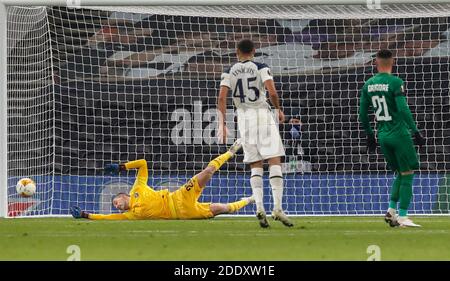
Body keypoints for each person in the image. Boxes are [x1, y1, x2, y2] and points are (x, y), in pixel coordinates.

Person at [70, 140, 254, 220]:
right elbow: (106, 217)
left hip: (179, 197)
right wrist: (86, 215)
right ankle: (251, 199)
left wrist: (121, 167)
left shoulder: (137, 187)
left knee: (207, 171)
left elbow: (143, 163)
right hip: (185, 215)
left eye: (116, 201)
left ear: (123, 195)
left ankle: (230, 152)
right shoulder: (129, 215)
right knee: (222, 209)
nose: (116, 205)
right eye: (115, 205)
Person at [217, 39, 293, 228]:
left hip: (243, 119)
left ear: (237, 52)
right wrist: (278, 110)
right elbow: (272, 92)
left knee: (255, 164)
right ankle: (277, 208)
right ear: (254, 51)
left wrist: (222, 124)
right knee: (274, 159)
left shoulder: (228, 71)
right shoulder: (261, 66)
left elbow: (221, 97)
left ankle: (259, 207)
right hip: (261, 114)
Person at [359, 49, 426, 228]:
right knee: (408, 173)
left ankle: (391, 211)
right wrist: (416, 131)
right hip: (399, 134)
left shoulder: (368, 84)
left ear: (376, 63)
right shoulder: (396, 82)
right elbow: (403, 109)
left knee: (399, 173)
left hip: (382, 135)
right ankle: (403, 216)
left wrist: (369, 135)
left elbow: (362, 113)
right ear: (393, 61)